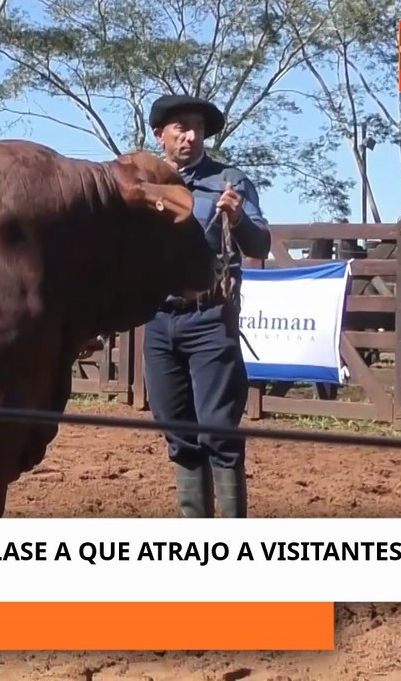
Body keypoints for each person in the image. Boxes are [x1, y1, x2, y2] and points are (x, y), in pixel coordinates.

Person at [141, 94, 271, 519]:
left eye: (197, 127)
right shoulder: (143, 185)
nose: (191, 136)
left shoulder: (228, 181)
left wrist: (239, 220)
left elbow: (261, 244)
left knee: (217, 430)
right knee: (177, 430)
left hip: (210, 318)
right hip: (158, 320)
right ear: (160, 135)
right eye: (180, 127)